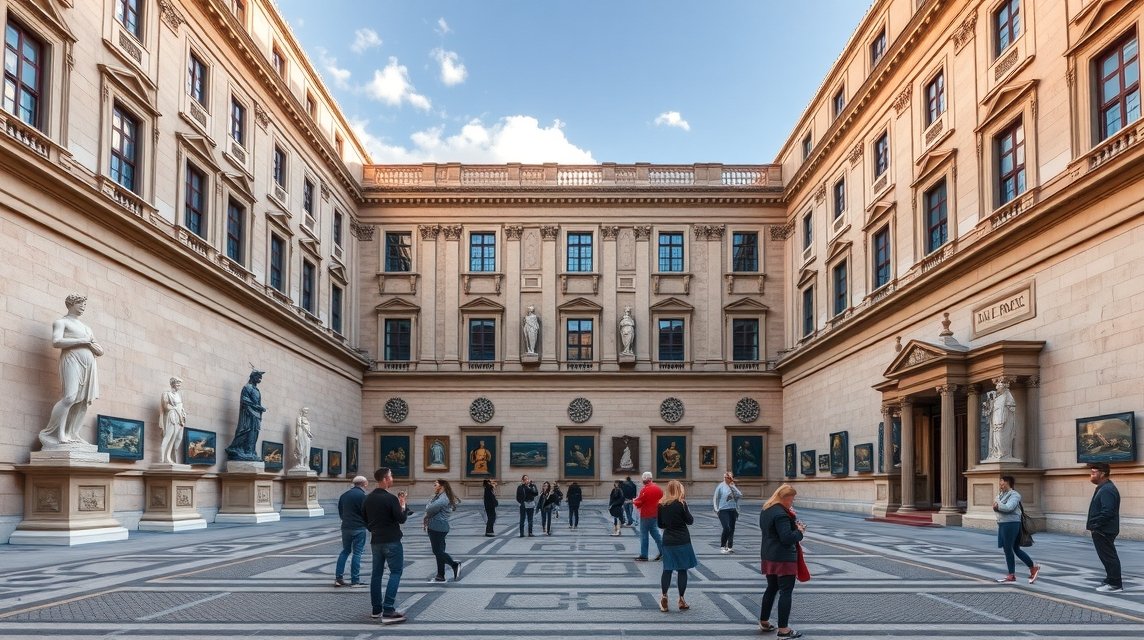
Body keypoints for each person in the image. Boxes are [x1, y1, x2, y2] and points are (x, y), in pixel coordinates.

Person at [39, 294, 104, 447]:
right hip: (72, 359)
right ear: (71, 304)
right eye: (80, 303)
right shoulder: (61, 322)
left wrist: (89, 343)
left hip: (89, 364)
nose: (83, 307)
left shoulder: (87, 328)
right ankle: (56, 433)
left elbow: (100, 351)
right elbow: (56, 341)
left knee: (83, 402)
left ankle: (72, 433)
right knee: (70, 397)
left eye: (84, 304)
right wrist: (83, 341)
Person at [759, 484, 807, 638]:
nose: (792, 502)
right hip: (783, 558)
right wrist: (799, 531)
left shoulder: (766, 509)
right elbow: (786, 538)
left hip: (768, 554)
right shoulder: (781, 514)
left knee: (771, 588)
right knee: (786, 592)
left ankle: (764, 620)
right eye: (791, 499)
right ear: (784, 498)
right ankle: (784, 629)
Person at [363, 467, 408, 624]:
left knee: (376, 574)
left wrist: (373, 529)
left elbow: (364, 519)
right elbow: (401, 519)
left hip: (376, 541)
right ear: (384, 479)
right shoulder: (390, 499)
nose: (392, 478)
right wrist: (403, 506)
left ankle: (376, 609)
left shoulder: (368, 498)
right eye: (391, 476)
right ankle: (388, 609)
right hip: (392, 540)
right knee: (395, 572)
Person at [656, 480, 697, 612]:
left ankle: (664, 596)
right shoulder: (681, 504)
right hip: (683, 540)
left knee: (667, 569)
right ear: (680, 490)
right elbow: (690, 521)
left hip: (668, 540)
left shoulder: (661, 504)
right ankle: (681, 599)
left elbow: (660, 525)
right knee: (682, 570)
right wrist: (686, 507)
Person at [992, 475, 1039, 583]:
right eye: (1000, 483)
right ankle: (1032, 568)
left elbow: (1009, 507)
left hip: (1011, 524)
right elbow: (997, 505)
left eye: (1002, 483)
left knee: (1008, 549)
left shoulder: (1015, 495)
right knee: (1015, 549)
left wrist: (998, 506)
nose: (1000, 485)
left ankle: (1012, 574)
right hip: (1003, 523)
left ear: (1007, 483)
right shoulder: (1000, 495)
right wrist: (998, 506)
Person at [1087, 462, 1122, 593]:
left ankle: (1115, 584)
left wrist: (1096, 524)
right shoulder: (1103, 487)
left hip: (1104, 530)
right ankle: (1110, 578)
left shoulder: (1107, 489)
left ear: (1102, 474)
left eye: (1093, 473)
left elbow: (1108, 512)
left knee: (1109, 556)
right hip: (1102, 529)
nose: (1091, 475)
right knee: (1106, 556)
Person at [424, 479, 463, 583]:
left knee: (437, 551)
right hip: (438, 526)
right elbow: (430, 507)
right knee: (440, 551)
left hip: (437, 527)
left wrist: (428, 507)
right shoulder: (440, 496)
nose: (434, 486)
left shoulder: (443, 498)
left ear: (441, 486)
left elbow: (428, 509)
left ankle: (454, 565)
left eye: (435, 484)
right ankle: (440, 575)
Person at [334, 476, 369, 588]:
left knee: (345, 551)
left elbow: (340, 511)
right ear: (364, 484)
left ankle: (339, 578)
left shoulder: (344, 495)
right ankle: (355, 580)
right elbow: (366, 513)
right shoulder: (363, 496)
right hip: (359, 527)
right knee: (357, 553)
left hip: (346, 527)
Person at [224, 369, 266, 461]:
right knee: (247, 431)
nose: (260, 380)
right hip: (248, 415)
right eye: (258, 377)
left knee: (255, 433)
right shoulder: (247, 388)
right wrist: (257, 407)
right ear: (253, 377)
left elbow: (257, 402)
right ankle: (242, 450)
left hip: (256, 416)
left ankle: (251, 452)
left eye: (260, 378)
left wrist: (260, 408)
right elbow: (245, 400)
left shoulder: (256, 390)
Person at [632, 471, 664, 561]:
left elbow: (640, 502)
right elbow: (661, 498)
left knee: (644, 535)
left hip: (646, 514)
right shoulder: (658, 489)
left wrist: (633, 501)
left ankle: (644, 555)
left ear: (644, 479)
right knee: (656, 534)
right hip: (655, 514)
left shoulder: (645, 489)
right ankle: (663, 552)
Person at [985, 379, 1018, 461]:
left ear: (1004, 387)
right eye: (997, 386)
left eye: (999, 386)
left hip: (1003, 420)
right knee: (996, 437)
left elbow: (1012, 407)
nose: (997, 388)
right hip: (995, 420)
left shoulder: (1007, 396)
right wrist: (989, 402)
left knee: (1002, 437)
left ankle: (1003, 454)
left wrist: (1005, 415)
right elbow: (988, 411)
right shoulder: (996, 398)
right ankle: (996, 453)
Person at [713, 471, 743, 553]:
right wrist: (717, 509)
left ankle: (730, 546)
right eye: (728, 477)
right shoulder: (721, 486)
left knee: (732, 528)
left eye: (731, 477)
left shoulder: (732, 486)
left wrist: (733, 487)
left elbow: (740, 495)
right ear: (725, 478)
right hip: (723, 510)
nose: (729, 479)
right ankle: (722, 546)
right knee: (726, 527)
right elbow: (716, 498)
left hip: (733, 510)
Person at [159, 377, 187, 464]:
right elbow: (165, 406)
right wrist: (175, 409)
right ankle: (162, 458)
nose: (179, 386)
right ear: (173, 384)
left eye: (180, 384)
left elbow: (180, 406)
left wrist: (183, 413)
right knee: (168, 437)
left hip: (179, 418)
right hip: (172, 416)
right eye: (178, 384)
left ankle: (169, 457)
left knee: (177, 438)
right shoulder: (167, 394)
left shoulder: (178, 395)